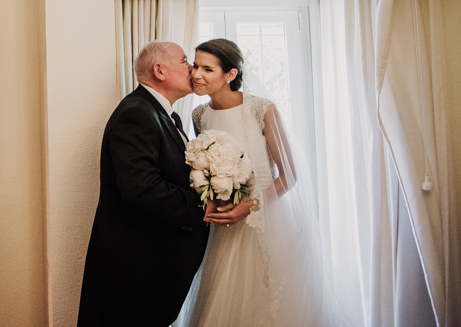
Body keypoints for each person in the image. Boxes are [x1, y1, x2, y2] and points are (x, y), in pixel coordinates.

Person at [186, 38, 350, 327]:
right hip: (223, 224)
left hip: (265, 221)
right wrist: (212, 198)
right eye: (195, 65)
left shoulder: (261, 109)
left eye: (207, 69)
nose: (196, 74)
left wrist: (247, 207)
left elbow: (289, 175)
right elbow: (204, 168)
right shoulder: (199, 115)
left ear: (230, 75)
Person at [77, 41, 209, 327]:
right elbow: (142, 189)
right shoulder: (137, 113)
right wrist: (204, 207)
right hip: (137, 268)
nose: (192, 68)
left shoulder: (161, 114)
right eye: (186, 60)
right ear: (159, 70)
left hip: (151, 266)